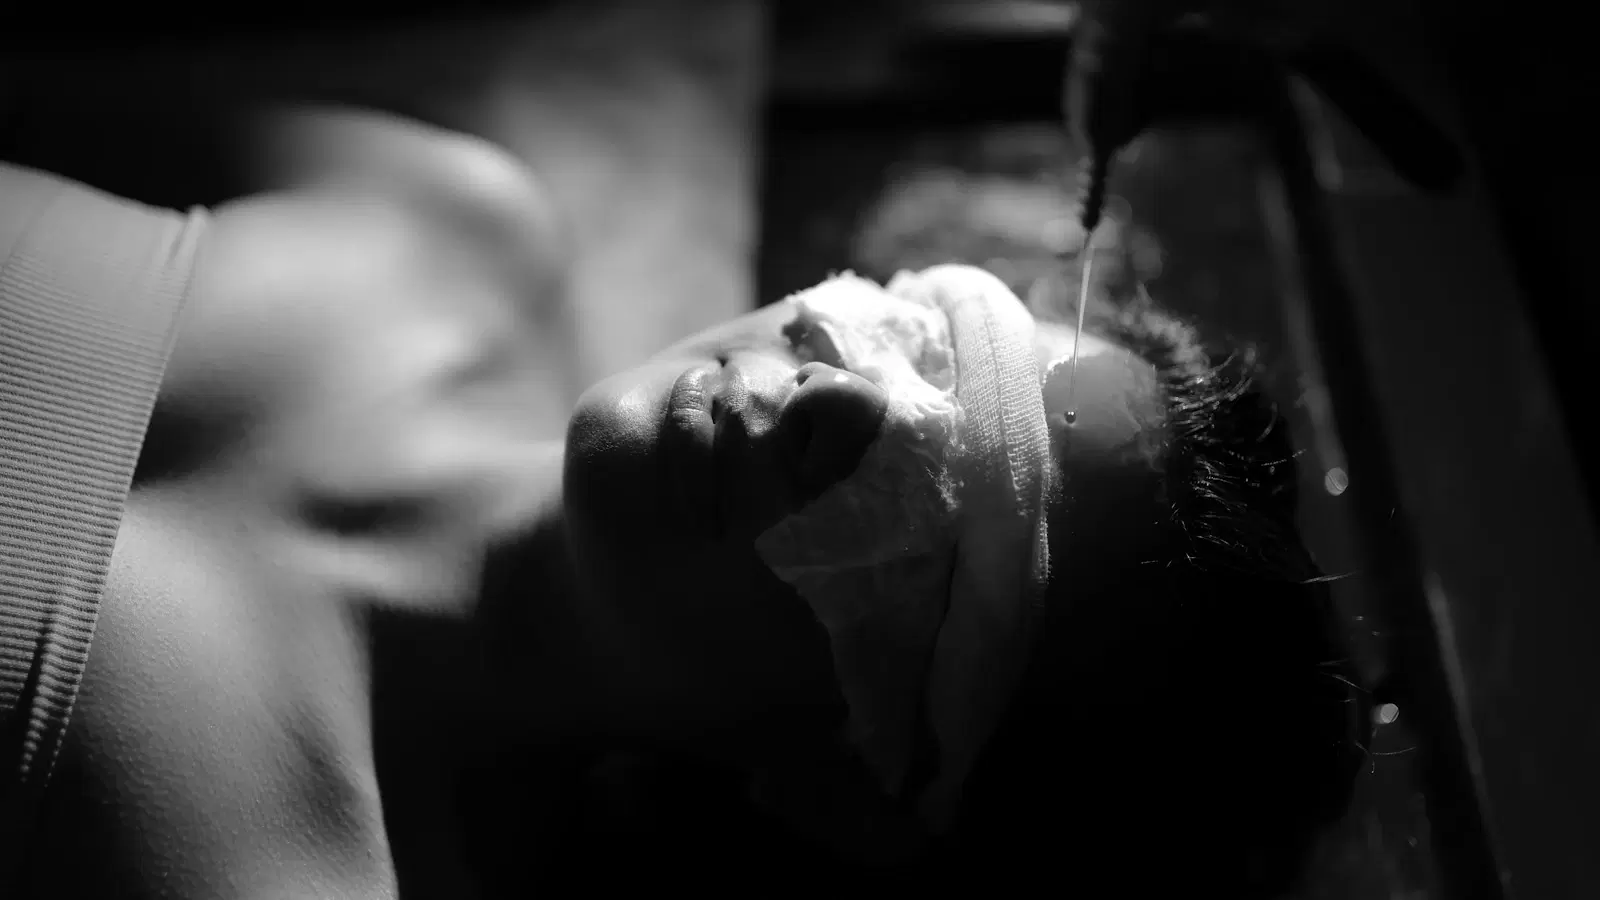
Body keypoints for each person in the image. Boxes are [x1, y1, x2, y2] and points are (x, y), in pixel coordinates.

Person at [0, 119, 1365, 898]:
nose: (852, 407)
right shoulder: (440, 225)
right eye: (944, 344)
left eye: (952, 545)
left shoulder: (277, 876)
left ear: (856, 797)